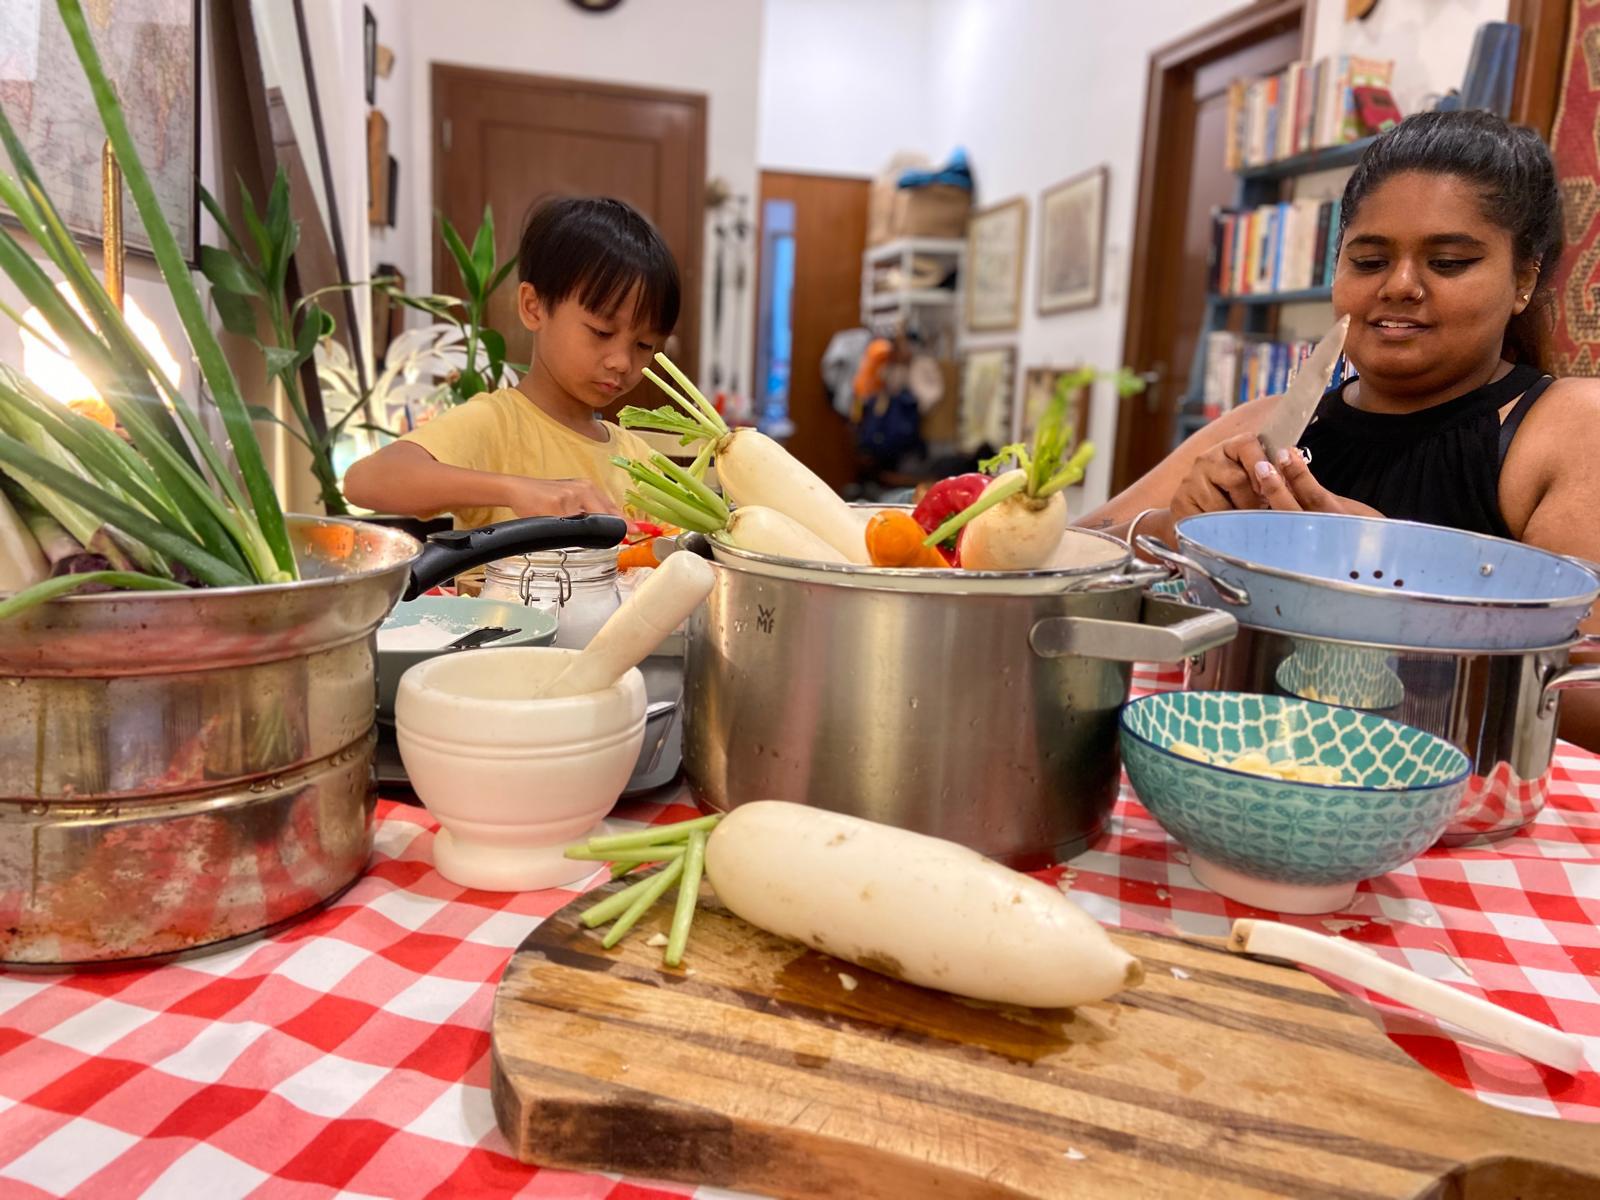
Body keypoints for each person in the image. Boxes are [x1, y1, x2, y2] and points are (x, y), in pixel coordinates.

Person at [1079, 110, 1600, 750]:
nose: (1400, 286)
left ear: (1524, 278)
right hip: (1253, 771)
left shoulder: (1571, 428)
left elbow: (1582, 699)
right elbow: (1073, 559)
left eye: (1450, 261)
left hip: (1454, 813)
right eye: (1370, 259)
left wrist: (1399, 579)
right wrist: (1174, 531)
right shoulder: (1268, 422)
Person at [343, 196, 676, 544]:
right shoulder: (498, 424)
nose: (622, 362)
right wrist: (515, 489)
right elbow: (365, 482)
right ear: (533, 307)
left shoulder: (636, 458)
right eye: (602, 332)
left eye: (644, 345)